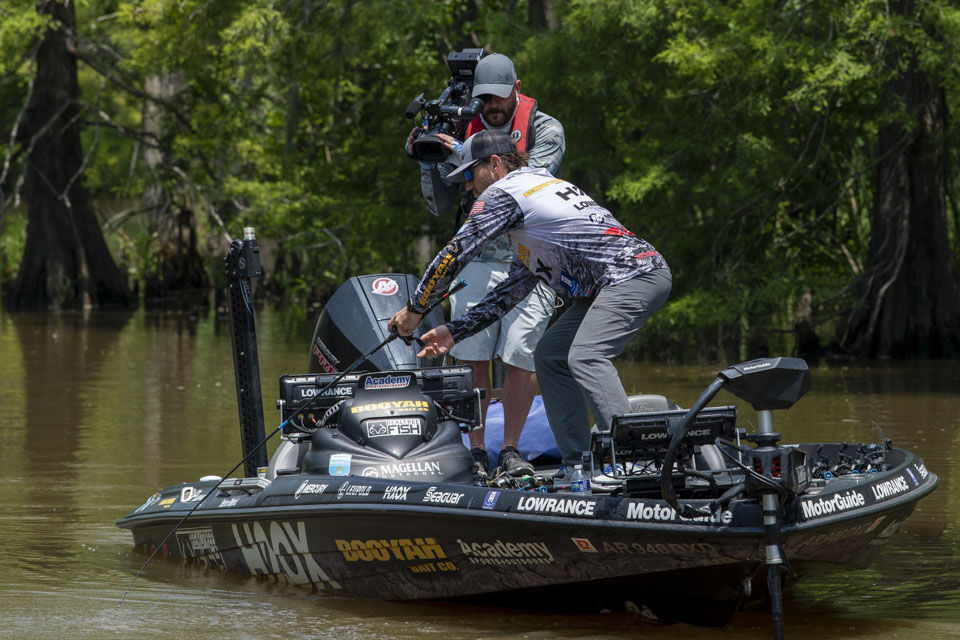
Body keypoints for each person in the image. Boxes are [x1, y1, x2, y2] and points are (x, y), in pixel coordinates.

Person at [390, 130, 672, 475]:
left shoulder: (504, 193)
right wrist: (455, 332)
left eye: (470, 174)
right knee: (551, 356)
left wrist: (415, 310)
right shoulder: (533, 195)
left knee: (586, 356)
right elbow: (510, 291)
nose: (467, 186)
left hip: (633, 275)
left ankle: (633, 465)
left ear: (495, 165)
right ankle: (579, 466)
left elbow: (453, 255)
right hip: (616, 282)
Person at [405, 53, 565, 479]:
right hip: (477, 260)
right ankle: (476, 451)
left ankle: (511, 449)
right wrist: (430, 161)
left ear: (517, 88)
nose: (491, 106)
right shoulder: (463, 126)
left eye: (498, 97)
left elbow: (530, 184)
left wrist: (463, 154)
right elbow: (440, 207)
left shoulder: (545, 128)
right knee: (471, 354)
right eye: (484, 98)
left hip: (529, 260)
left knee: (520, 353)